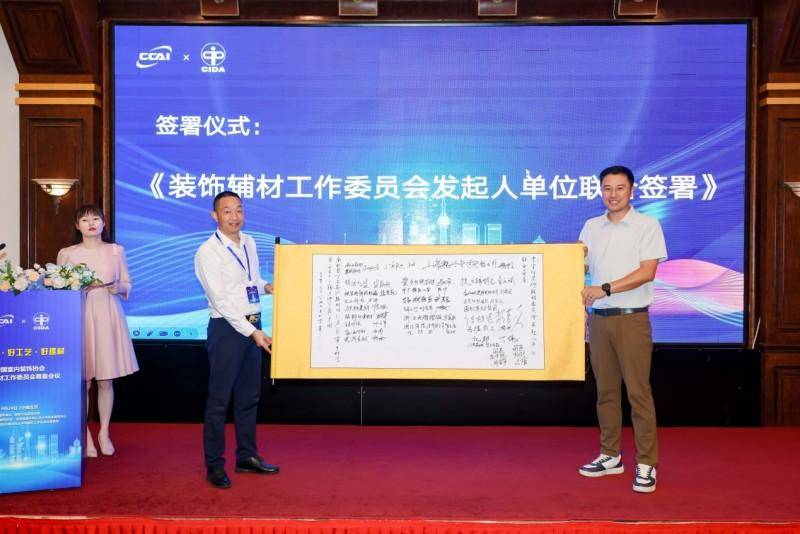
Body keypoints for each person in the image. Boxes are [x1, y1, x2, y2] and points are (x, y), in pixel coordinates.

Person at [577, 165, 667, 494]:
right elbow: (577, 266)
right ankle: (610, 455)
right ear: (600, 191)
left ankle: (646, 463)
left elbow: (647, 272)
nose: (612, 194)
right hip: (599, 321)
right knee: (606, 393)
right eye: (607, 188)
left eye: (619, 188)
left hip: (632, 319)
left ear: (632, 190)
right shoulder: (591, 227)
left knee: (638, 394)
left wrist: (605, 288)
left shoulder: (647, 226)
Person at [194, 191, 278, 489]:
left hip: (253, 323)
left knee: (249, 397)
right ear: (215, 216)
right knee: (219, 400)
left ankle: (247, 456)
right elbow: (221, 300)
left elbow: (248, 280)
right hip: (227, 330)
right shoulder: (208, 252)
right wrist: (252, 332)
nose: (234, 216)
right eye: (227, 211)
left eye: (239, 210)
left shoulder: (249, 242)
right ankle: (214, 465)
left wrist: (266, 286)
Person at [57, 204, 139, 457]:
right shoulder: (67, 253)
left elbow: (127, 283)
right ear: (77, 225)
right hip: (79, 316)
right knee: (83, 381)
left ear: (103, 223)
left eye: (95, 218)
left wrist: (119, 288)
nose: (91, 223)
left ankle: (104, 431)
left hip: (107, 314)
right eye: (84, 219)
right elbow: (58, 290)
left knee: (105, 380)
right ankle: (84, 434)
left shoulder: (115, 250)